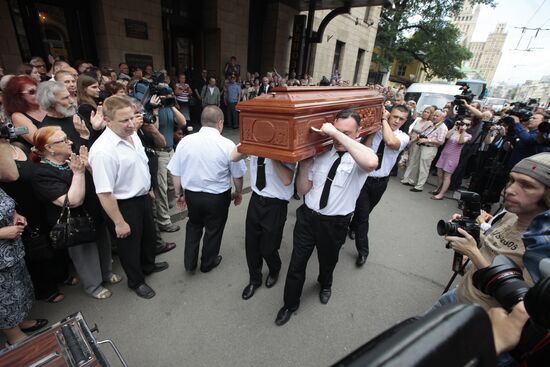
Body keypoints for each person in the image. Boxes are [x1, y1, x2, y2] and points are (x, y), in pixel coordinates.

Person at [275, 109, 379, 326]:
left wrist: (336, 134)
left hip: (335, 223)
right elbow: (303, 190)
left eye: (347, 133)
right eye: (337, 131)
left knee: (328, 260)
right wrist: (304, 168)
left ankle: (325, 283)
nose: (340, 137)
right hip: (307, 218)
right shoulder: (320, 153)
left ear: (358, 132)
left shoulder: (360, 155)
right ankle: (290, 304)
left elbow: (371, 163)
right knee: (297, 264)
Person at [433, 153, 550, 312]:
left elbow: (521, 302)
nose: (510, 189)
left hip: (481, 319)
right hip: (456, 296)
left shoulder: (542, 243)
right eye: (511, 180)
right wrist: (468, 231)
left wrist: (473, 253)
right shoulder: (510, 215)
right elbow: (491, 248)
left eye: (526, 185)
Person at [88, 96, 168, 299]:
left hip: (142, 197)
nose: (131, 124)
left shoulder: (132, 135)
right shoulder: (102, 151)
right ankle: (136, 281)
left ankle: (148, 267)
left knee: (148, 238)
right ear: (107, 120)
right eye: (124, 120)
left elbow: (140, 164)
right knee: (129, 247)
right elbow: (104, 193)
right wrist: (119, 222)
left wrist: (148, 188)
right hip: (122, 205)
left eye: (132, 117)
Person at [31, 126, 120, 299]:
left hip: (94, 213)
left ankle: (107, 273)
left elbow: (100, 181)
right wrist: (78, 173)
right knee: (85, 254)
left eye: (67, 138)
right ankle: (93, 286)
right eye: (63, 140)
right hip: (75, 223)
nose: (70, 142)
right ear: (49, 148)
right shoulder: (42, 174)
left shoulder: (72, 159)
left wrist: (88, 167)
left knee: (103, 244)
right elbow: (72, 201)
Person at [168, 106, 246, 273]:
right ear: (220, 123)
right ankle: (207, 263)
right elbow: (237, 175)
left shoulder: (185, 141)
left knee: (194, 226)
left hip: (192, 195)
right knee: (214, 229)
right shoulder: (227, 144)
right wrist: (238, 192)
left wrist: (178, 194)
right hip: (217, 196)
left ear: (203, 121)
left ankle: (189, 264)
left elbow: (175, 171)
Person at [230, 148, 295, 300]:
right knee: (251, 245)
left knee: (268, 247)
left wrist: (271, 153)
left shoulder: (283, 147)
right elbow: (233, 157)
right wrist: (253, 141)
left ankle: (275, 268)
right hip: (256, 199)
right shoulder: (254, 143)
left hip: (276, 204)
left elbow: (287, 179)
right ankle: (254, 279)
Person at [348, 106, 410, 267]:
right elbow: (365, 148)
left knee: (365, 212)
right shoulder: (376, 129)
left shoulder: (403, 137)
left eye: (401, 119)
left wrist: (383, 120)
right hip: (363, 178)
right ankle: (363, 251)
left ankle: (353, 227)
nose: (397, 121)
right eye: (394, 116)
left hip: (381, 182)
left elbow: (390, 142)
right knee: (363, 216)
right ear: (390, 115)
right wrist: (375, 128)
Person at [0, 188, 48, 345]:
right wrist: (2, 233)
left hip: (12, 249)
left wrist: (16, 216)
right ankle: (14, 338)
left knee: (19, 289)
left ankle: (20, 322)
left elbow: (7, 205)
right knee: (4, 299)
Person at [37, 81, 91, 152]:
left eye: (69, 96)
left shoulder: (74, 116)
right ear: (51, 103)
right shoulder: (47, 130)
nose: (71, 101)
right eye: (65, 98)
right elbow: (67, 159)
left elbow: (93, 141)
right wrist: (83, 137)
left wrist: (97, 129)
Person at [403, 109, 448, 192]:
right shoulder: (431, 124)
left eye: (437, 116)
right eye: (434, 115)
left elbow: (441, 141)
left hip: (430, 148)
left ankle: (419, 186)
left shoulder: (443, 127)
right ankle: (412, 181)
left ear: (442, 118)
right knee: (417, 165)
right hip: (422, 146)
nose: (434, 117)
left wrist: (427, 140)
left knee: (424, 168)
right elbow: (423, 133)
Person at [432, 119, 472, 200]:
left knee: (447, 176)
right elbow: (446, 136)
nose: (464, 125)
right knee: (439, 173)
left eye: (467, 124)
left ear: (470, 126)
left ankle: (441, 194)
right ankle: (438, 188)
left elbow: (461, 142)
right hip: (444, 154)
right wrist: (454, 127)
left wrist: (463, 131)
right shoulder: (454, 131)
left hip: (453, 158)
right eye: (463, 123)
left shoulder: (468, 135)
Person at [3, 75, 47, 148]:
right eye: (32, 92)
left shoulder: (47, 105)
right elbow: (38, 141)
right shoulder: (17, 116)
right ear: (18, 96)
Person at [401, 106, 434, 190]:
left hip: (417, 142)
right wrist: (409, 139)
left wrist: (411, 142)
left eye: (428, 112)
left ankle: (410, 179)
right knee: (410, 159)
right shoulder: (418, 120)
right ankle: (406, 178)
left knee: (414, 161)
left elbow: (422, 134)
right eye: (424, 111)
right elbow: (412, 129)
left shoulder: (429, 123)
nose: (425, 113)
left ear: (430, 114)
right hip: (411, 139)